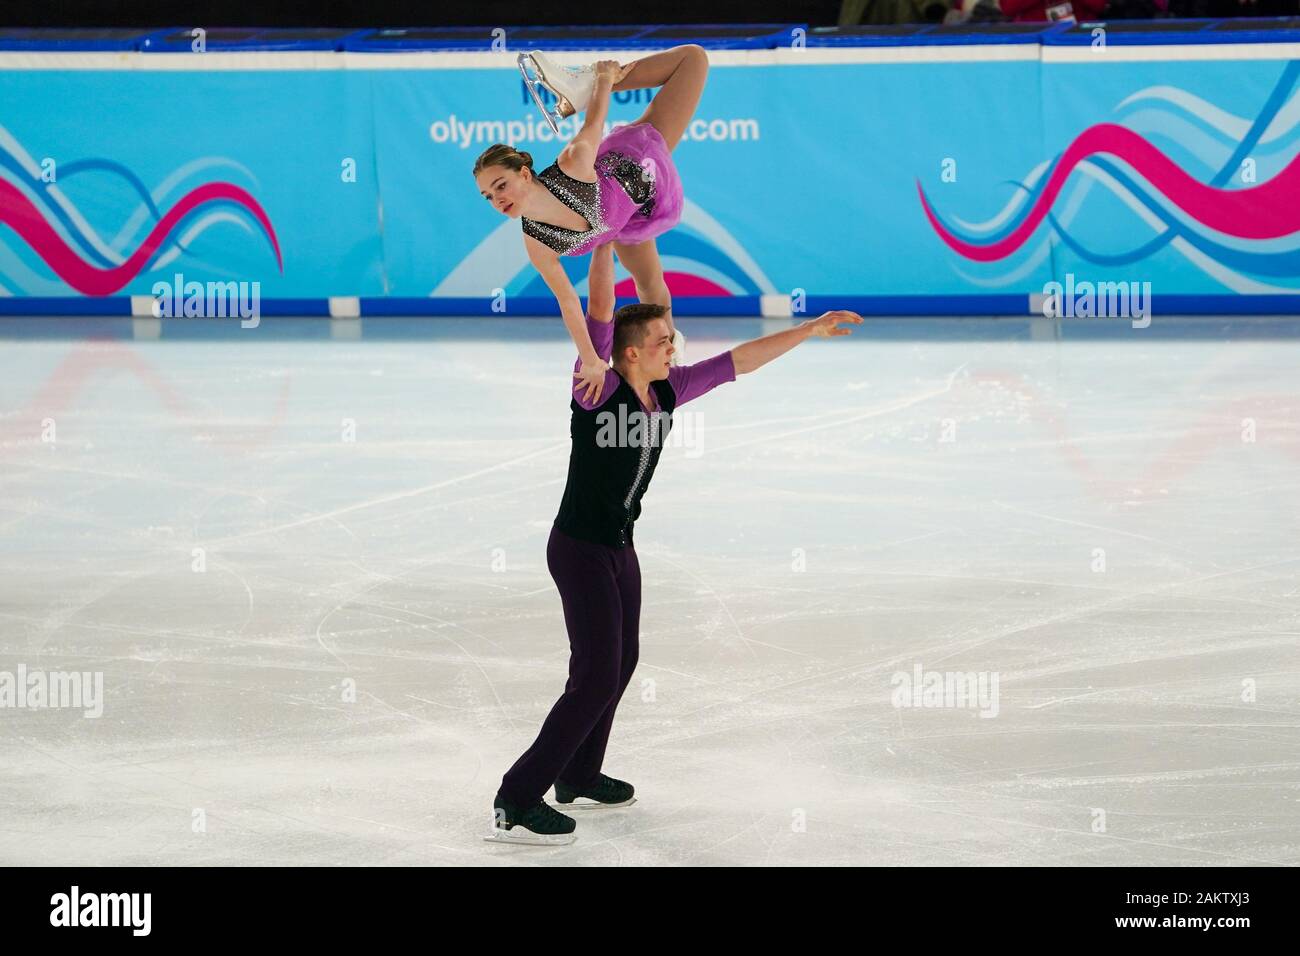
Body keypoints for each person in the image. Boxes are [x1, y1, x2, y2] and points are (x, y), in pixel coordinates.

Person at [485, 241, 864, 845]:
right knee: (595, 678)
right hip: (579, 549)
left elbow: (741, 361)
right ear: (630, 352)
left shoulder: (668, 389)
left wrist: (808, 330)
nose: (675, 347)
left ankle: (579, 773)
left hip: (619, 549)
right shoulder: (597, 388)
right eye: (664, 341)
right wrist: (604, 242)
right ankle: (516, 797)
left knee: (620, 662)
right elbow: (600, 309)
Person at [473, 45, 709, 407]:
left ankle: (581, 84)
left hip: (637, 161)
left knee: (693, 59)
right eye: (488, 197)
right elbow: (569, 302)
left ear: (523, 174)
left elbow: (594, 123)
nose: (497, 199)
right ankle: (669, 354)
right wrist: (592, 360)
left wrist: (602, 80)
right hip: (626, 222)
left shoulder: (572, 163)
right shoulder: (537, 241)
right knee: (651, 285)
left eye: (500, 186)